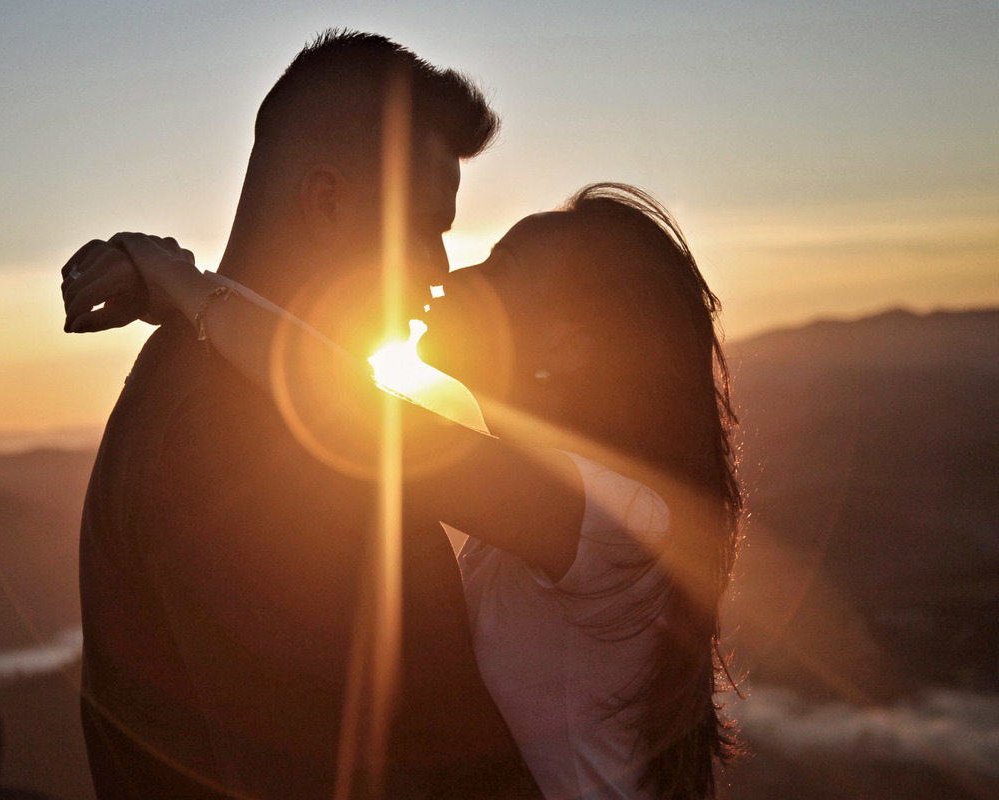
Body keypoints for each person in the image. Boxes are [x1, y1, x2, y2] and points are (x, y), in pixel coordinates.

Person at [64, 183, 742, 800]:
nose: (456, 276)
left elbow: (352, 413)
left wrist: (184, 282)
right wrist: (185, 290)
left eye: (500, 269)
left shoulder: (620, 515)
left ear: (566, 345)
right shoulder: (561, 505)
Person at [62, 30, 542, 800]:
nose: (440, 268)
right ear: (327, 202)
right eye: (426, 226)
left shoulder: (246, 393)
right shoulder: (236, 435)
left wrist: (178, 279)